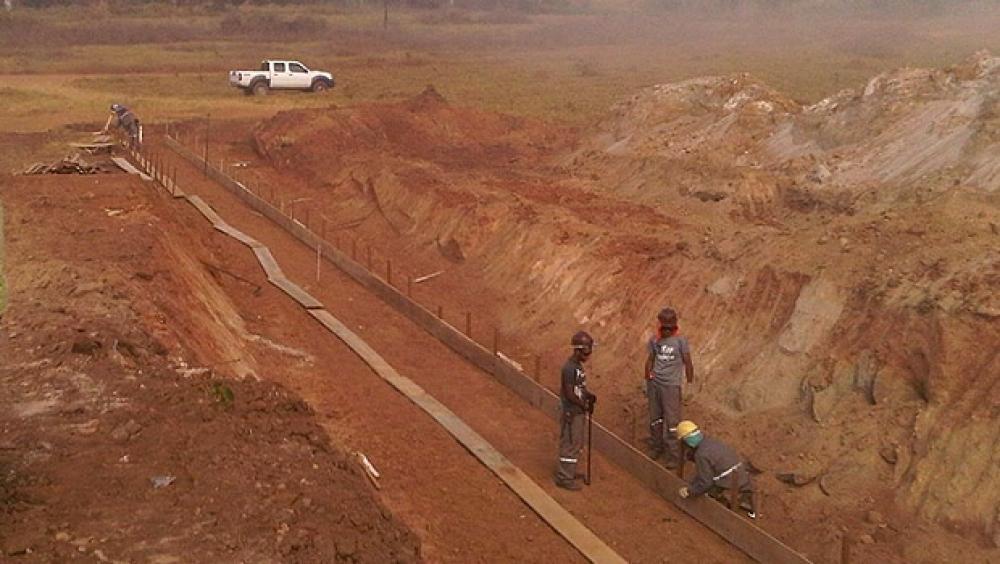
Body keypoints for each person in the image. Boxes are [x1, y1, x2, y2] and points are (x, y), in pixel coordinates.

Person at [644, 307, 694, 468]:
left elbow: (688, 362)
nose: (666, 331)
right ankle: (656, 446)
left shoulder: (680, 342)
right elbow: (651, 358)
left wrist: (690, 384)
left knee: (672, 423)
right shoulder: (655, 340)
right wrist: (648, 377)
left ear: (674, 326)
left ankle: (673, 455)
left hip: (671, 386)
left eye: (669, 328)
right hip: (655, 384)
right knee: (655, 419)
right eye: (663, 327)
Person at [676, 420, 757, 519]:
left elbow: (706, 482)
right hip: (742, 474)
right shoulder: (711, 442)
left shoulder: (701, 455)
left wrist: (690, 491)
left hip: (730, 482)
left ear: (687, 440)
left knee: (704, 492)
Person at [554, 330, 597, 491]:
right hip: (571, 411)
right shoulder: (569, 368)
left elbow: (579, 388)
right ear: (577, 350)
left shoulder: (578, 367)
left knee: (576, 442)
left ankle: (569, 472)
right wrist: (581, 404)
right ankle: (564, 477)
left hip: (577, 410)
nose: (588, 355)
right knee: (570, 443)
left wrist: (588, 396)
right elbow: (569, 392)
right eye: (586, 352)